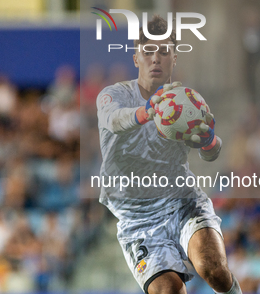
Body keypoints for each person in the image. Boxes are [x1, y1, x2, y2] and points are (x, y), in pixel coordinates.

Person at [96, 15, 241, 294]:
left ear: (175, 58)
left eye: (164, 52)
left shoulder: (185, 102)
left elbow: (211, 153)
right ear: (136, 57)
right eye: (148, 51)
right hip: (138, 219)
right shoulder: (114, 95)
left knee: (215, 270)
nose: (156, 59)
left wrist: (210, 142)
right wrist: (147, 111)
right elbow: (114, 120)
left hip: (182, 202)